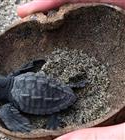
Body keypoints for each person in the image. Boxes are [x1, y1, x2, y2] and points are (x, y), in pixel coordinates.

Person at [17, 0, 125, 140]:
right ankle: (68, 93)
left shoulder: (7, 107)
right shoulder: (15, 77)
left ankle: (54, 116)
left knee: (46, 101)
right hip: (58, 89)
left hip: (52, 99)